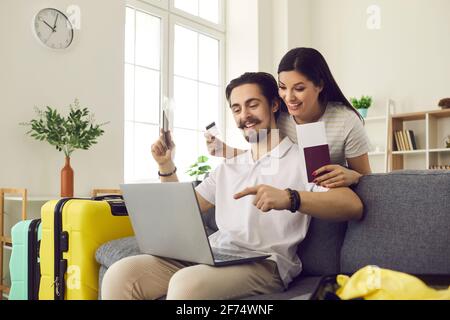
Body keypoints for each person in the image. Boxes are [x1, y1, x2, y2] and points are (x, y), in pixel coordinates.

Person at [101, 72, 363, 300]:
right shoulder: (229, 166)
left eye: (252, 105)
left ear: (273, 104)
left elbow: (352, 206)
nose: (244, 115)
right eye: (236, 109)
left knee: (187, 283)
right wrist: (166, 165)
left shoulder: (305, 159)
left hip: (264, 264)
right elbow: (184, 211)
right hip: (215, 254)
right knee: (120, 274)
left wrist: (289, 198)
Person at [206, 47, 372, 188]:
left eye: (299, 88)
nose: (289, 97)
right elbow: (265, 159)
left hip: (328, 195)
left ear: (319, 85)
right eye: (283, 87)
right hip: (289, 195)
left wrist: (352, 176)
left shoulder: (346, 121)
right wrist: (226, 151)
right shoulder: (278, 116)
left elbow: (367, 179)